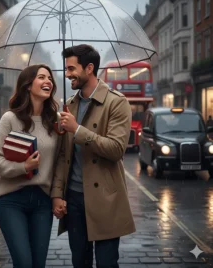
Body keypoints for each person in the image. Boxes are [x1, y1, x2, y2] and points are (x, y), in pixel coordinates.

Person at [51, 44, 136, 268]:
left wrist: (78, 130)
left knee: (107, 263)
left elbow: (117, 149)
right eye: (66, 69)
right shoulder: (70, 105)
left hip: (105, 198)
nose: (67, 74)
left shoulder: (117, 102)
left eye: (71, 69)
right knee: (80, 261)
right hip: (75, 198)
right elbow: (63, 156)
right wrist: (57, 194)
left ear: (89, 68)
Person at [0, 64, 62, 268]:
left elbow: (60, 164)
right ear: (28, 85)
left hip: (42, 202)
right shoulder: (10, 118)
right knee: (23, 263)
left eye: (50, 78)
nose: (48, 81)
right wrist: (24, 167)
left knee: (38, 264)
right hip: (12, 201)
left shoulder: (55, 121)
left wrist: (57, 195)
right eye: (41, 77)